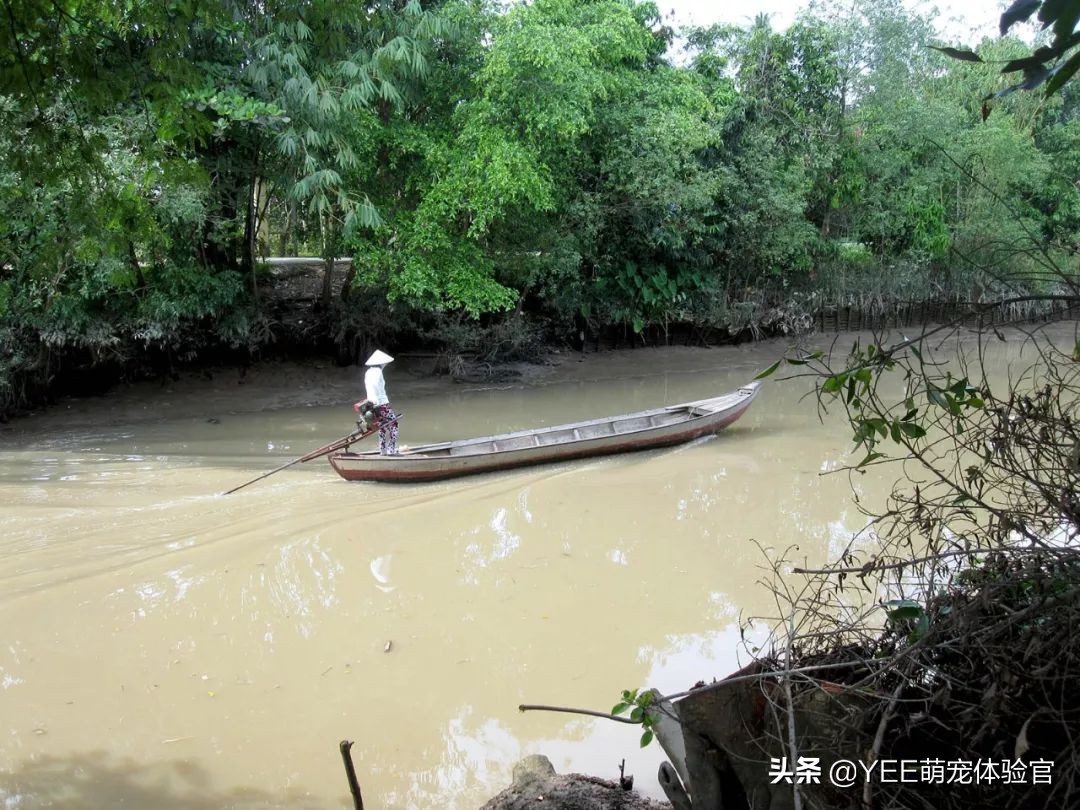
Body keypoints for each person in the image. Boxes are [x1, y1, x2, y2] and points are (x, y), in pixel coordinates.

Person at [363, 349, 398, 455]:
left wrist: (373, 402)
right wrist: (379, 402)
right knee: (394, 425)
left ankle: (382, 450)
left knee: (382, 427)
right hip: (382, 404)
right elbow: (377, 388)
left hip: (370, 405)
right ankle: (391, 449)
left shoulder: (368, 372)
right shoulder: (378, 372)